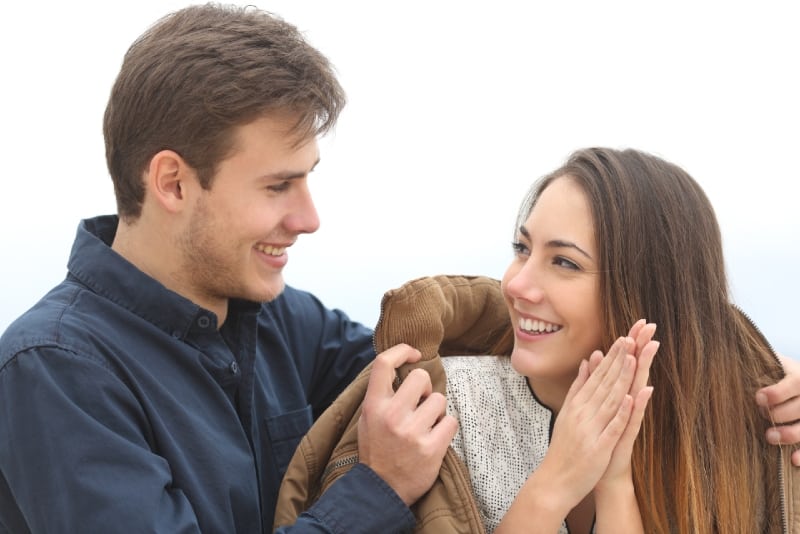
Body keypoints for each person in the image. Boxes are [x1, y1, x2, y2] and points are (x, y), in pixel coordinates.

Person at [0, 4, 456, 533]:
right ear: (172, 182)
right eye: (277, 186)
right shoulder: (56, 369)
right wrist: (379, 491)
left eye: (308, 179)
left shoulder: (281, 319)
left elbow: (438, 378)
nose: (309, 219)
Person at [275, 147, 800, 534]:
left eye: (564, 262)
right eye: (522, 248)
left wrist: (615, 481)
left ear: (647, 293)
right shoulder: (436, 413)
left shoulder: (750, 436)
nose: (518, 284)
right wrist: (555, 485)